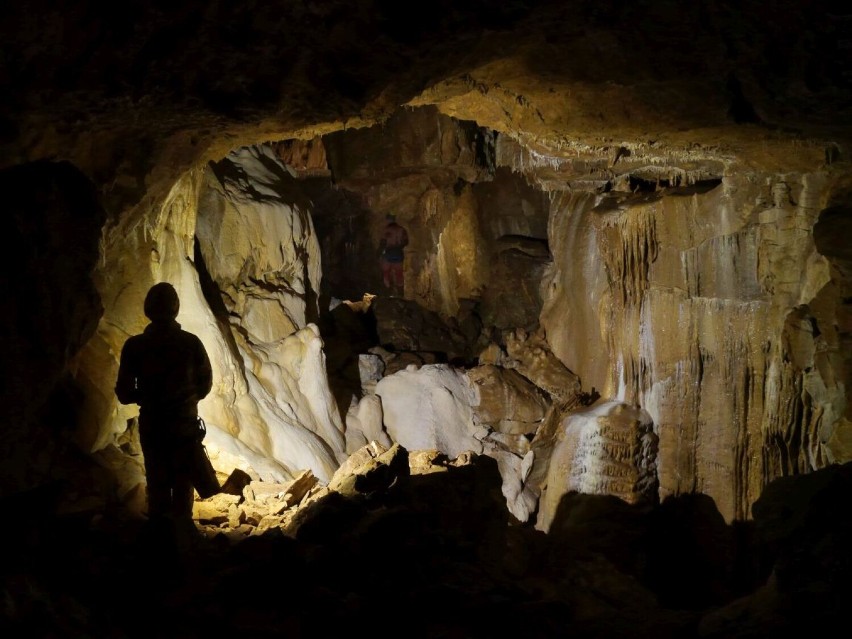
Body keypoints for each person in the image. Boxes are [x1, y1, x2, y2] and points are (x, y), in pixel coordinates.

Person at [115, 282, 213, 541]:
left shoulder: (135, 346)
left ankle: (159, 541)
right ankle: (182, 536)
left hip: (154, 424)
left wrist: (149, 396)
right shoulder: (191, 344)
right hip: (184, 424)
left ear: (148, 309)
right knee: (183, 481)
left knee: (157, 479)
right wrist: (184, 401)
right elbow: (205, 385)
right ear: (175, 309)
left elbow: (124, 393)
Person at [379, 213, 409, 296]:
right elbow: (406, 242)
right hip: (398, 253)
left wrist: (379, 253)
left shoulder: (386, 230)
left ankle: (388, 292)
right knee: (399, 274)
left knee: (386, 273)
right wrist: (399, 246)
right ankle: (400, 294)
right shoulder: (402, 229)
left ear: (388, 220)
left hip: (388, 253)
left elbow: (383, 242)